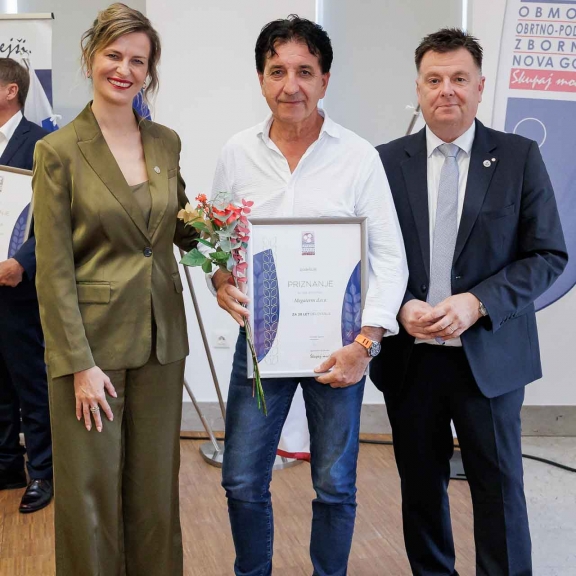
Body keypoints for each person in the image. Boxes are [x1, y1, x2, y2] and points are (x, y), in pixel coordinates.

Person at [210, 15, 407, 576]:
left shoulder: (358, 157)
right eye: (277, 71)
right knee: (241, 478)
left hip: (340, 348)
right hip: (262, 342)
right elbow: (219, 243)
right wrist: (220, 282)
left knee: (335, 484)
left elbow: (389, 257)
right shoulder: (236, 153)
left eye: (304, 71)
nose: (290, 85)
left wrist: (366, 343)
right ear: (260, 78)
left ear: (325, 80)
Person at [372, 28, 568, 575]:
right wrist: (401, 306)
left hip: (490, 356)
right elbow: (367, 255)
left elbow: (547, 255)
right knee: (421, 490)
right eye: (434, 80)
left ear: (480, 88)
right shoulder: (383, 162)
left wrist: (477, 303)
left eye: (459, 79)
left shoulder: (518, 156)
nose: (447, 90)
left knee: (499, 491)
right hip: (411, 358)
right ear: (418, 88)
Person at [32, 4, 198, 575]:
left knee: (155, 494)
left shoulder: (166, 142)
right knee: (90, 494)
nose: (124, 70)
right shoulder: (57, 150)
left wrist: (229, 235)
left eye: (138, 61)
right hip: (91, 349)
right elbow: (53, 269)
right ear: (90, 57)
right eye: (114, 56)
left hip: (161, 342)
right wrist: (78, 363)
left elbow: (182, 227)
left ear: (149, 71)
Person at [0, 58, 52, 514]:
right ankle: (5, 466)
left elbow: (58, 217)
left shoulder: (42, 144)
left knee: (30, 382)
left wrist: (23, 261)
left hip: (20, 286)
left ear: (10, 90)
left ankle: (43, 472)